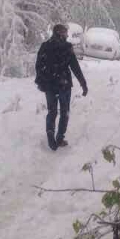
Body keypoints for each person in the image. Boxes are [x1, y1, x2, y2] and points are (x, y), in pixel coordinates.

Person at [35, 23, 88, 151]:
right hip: (63, 85)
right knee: (64, 112)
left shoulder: (45, 46)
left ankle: (50, 134)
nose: (67, 34)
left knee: (52, 112)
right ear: (59, 33)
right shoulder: (66, 47)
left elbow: (38, 66)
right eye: (65, 32)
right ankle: (59, 138)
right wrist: (83, 83)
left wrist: (42, 81)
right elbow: (75, 67)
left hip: (50, 86)